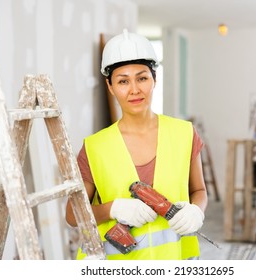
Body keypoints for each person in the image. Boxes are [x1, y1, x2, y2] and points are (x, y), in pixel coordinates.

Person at [65, 29, 208, 260]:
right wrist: (112, 208)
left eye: (142, 78)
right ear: (110, 87)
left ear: (154, 80)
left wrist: (196, 210)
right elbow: (73, 215)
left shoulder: (184, 133)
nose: (134, 89)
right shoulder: (95, 147)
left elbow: (199, 191)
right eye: (123, 81)